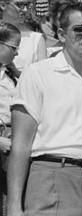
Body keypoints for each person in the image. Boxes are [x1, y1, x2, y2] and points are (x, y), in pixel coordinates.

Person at [7, 2, 82, 215]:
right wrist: (14, 205)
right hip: (52, 175)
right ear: (61, 34)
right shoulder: (38, 74)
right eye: (79, 30)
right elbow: (20, 144)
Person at [0, 0, 46, 74]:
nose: (25, 10)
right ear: (3, 5)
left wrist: (17, 73)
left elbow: (42, 79)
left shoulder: (35, 39)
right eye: (19, 5)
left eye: (27, 5)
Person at [0, 22, 21, 214]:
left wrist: (17, 73)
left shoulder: (10, 75)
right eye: (13, 48)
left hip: (11, 133)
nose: (17, 54)